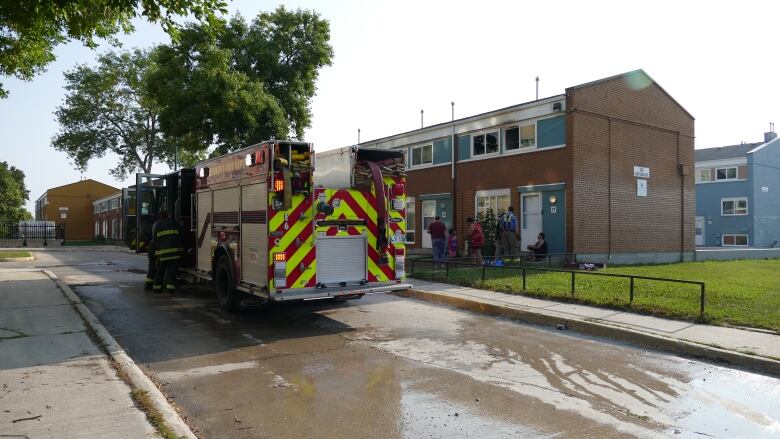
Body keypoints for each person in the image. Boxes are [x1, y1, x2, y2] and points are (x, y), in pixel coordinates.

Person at [151, 209, 182, 294]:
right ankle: (170, 289)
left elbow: (155, 240)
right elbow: (180, 236)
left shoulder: (157, 225)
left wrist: (156, 253)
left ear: (160, 216)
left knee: (160, 272)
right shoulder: (174, 223)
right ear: (168, 215)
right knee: (171, 273)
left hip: (162, 254)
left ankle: (157, 288)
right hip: (174, 253)